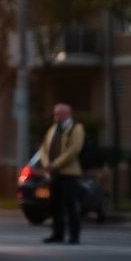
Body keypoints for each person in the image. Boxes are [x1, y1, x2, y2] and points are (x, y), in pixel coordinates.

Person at [38, 103, 85, 245]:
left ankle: (74, 236)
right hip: (55, 174)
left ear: (67, 114)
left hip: (69, 173)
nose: (55, 116)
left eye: (58, 113)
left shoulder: (76, 128)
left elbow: (73, 150)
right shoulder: (53, 129)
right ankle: (57, 234)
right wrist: (46, 164)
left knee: (71, 205)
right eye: (55, 113)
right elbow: (43, 148)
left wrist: (55, 164)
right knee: (55, 205)